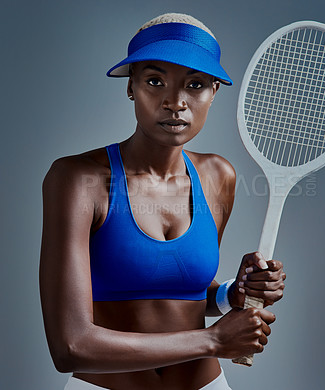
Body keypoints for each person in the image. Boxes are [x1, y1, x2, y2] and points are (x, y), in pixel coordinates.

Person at [39, 13, 286, 390]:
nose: (175, 102)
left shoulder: (218, 176)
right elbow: (70, 345)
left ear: (214, 92)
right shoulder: (78, 180)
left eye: (196, 84)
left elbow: (184, 293)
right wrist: (213, 341)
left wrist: (232, 294)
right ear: (131, 86)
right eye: (155, 81)